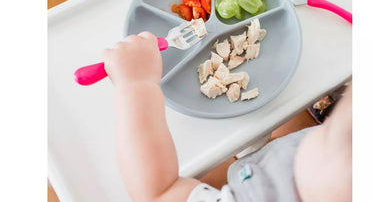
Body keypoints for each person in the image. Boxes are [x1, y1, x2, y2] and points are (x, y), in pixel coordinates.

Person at [102, 32, 352, 202]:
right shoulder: (333, 175)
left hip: (237, 185)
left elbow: (158, 192)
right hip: (266, 166)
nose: (325, 126)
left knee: (206, 170)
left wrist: (136, 84)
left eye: (328, 133)